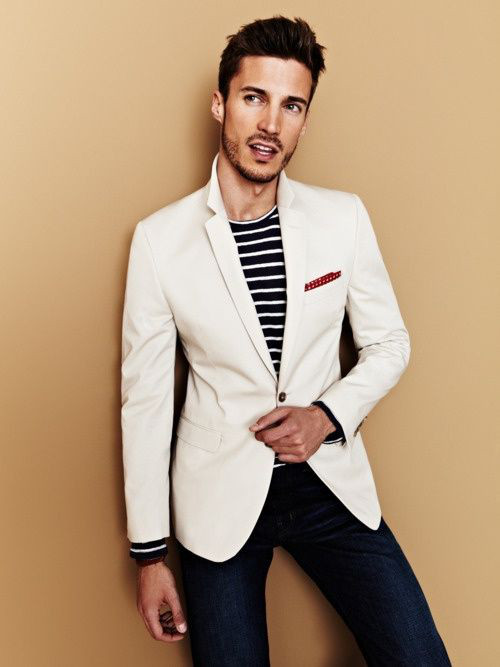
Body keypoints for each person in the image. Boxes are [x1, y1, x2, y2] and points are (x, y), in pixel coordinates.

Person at [121, 15, 452, 666]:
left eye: (291, 105)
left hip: (328, 484)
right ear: (220, 104)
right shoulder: (160, 241)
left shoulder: (341, 218)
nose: (270, 123)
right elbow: (146, 400)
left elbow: (389, 342)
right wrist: (149, 554)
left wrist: (325, 416)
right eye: (254, 97)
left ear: (305, 119)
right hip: (217, 499)